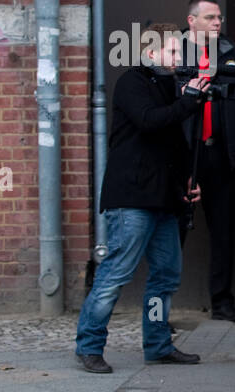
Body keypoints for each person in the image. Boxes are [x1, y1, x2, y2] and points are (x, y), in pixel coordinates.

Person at [75, 24, 209, 373]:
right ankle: (89, 346)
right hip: (132, 198)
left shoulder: (170, 87)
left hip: (165, 199)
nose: (180, 59)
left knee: (166, 274)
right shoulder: (131, 83)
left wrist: (188, 180)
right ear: (151, 53)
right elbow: (151, 122)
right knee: (116, 272)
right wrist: (188, 102)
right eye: (173, 52)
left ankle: (157, 345)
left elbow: (174, 141)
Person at [181, 0, 235, 322]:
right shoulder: (174, 54)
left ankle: (222, 302)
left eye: (219, 18)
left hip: (221, 154)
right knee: (172, 230)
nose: (218, 23)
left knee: (223, 231)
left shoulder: (232, 54)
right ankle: (158, 310)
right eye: (210, 17)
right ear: (192, 21)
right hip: (184, 156)